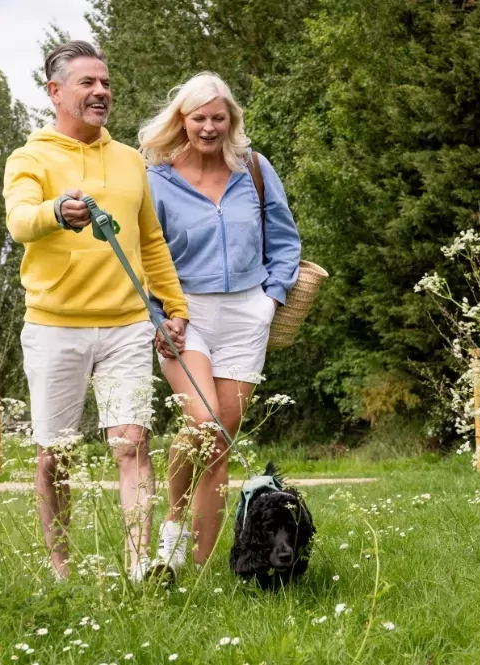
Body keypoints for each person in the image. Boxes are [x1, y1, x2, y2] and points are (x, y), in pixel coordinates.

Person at [2, 40, 189, 582]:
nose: (101, 91)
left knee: (131, 443)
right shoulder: (30, 158)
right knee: (54, 456)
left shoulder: (131, 160)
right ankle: (62, 571)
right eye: (87, 83)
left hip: (127, 324)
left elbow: (150, 242)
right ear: (55, 92)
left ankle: (138, 569)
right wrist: (58, 211)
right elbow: (19, 222)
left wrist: (171, 306)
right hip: (54, 327)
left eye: (105, 82)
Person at [138, 72, 302, 575]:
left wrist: (270, 300)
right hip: (186, 314)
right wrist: (160, 315)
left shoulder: (252, 167)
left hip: (247, 312)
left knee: (220, 445)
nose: (208, 128)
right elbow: (144, 254)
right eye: (198, 118)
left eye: (218, 117)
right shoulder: (156, 178)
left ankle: (203, 573)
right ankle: (171, 531)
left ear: (230, 120)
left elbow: (285, 238)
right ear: (180, 120)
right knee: (202, 424)